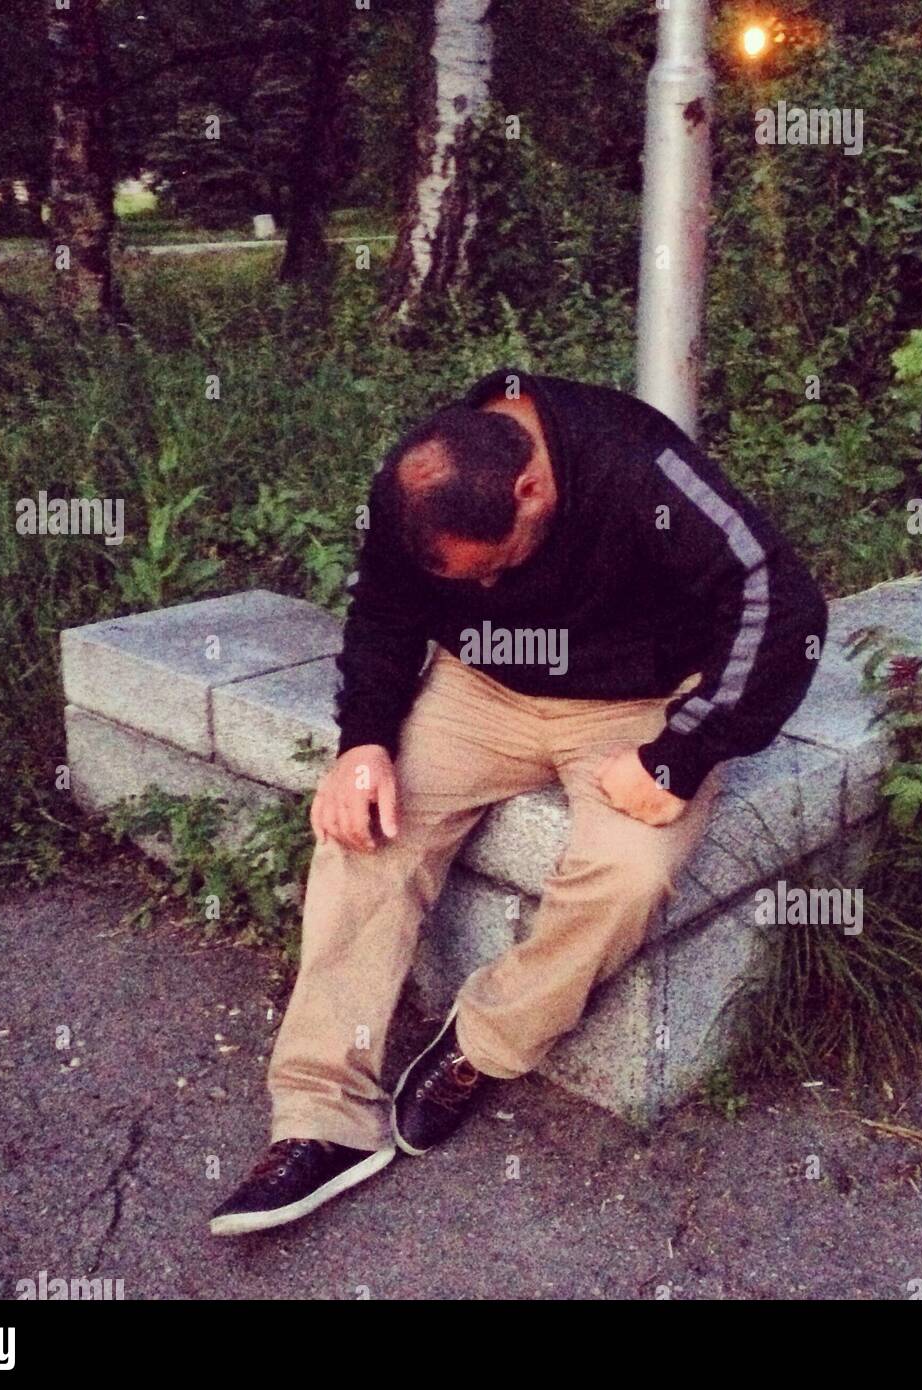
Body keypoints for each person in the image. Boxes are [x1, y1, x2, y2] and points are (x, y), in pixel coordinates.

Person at [209, 366, 828, 1236]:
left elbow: (781, 600)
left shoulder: (639, 464)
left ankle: (483, 1045)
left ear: (531, 488)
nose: (487, 589)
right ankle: (322, 1118)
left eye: (494, 568)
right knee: (363, 832)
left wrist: (684, 751)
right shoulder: (419, 481)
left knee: (632, 872)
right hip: (480, 691)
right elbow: (383, 611)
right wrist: (364, 741)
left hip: (630, 702)